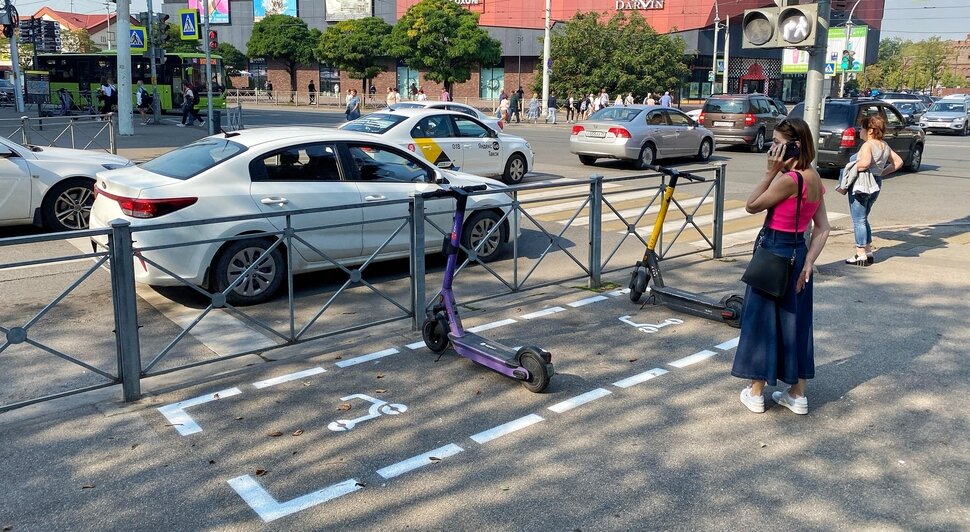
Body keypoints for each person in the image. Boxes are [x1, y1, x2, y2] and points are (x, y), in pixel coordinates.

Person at [732, 118, 831, 415]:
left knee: (762, 322)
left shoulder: (789, 180)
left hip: (774, 250)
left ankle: (756, 392)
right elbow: (823, 228)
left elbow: (751, 205)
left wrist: (769, 172)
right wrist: (809, 263)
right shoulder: (814, 177)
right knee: (796, 323)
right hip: (798, 254)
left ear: (794, 145)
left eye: (777, 142)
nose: (772, 148)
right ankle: (798, 394)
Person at [835, 115, 903, 266]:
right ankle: (868, 251)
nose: (860, 131)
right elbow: (898, 162)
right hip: (875, 183)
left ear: (870, 130)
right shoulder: (884, 145)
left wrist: (849, 168)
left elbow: (864, 164)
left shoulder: (867, 145)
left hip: (862, 184)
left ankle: (860, 254)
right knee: (864, 218)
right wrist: (880, 173)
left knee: (858, 219)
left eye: (862, 128)